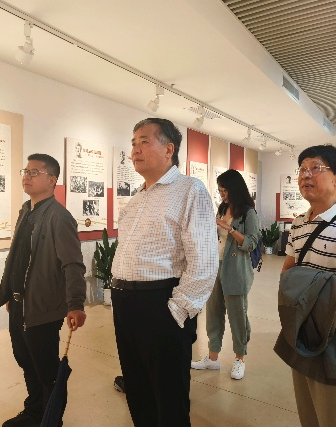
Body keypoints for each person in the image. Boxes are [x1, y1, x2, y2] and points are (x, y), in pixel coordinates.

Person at [111, 118, 218, 427]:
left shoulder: (189, 190)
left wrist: (178, 310)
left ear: (169, 149)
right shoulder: (137, 199)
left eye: (144, 142)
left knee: (168, 397)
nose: (135, 149)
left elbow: (204, 260)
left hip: (161, 304)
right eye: (133, 143)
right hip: (126, 303)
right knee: (137, 390)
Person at [275, 144, 336, 427]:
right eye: (302, 169)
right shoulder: (298, 223)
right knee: (308, 413)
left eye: (315, 168)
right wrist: (313, 280)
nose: (306, 175)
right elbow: (286, 275)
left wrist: (301, 281)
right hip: (305, 323)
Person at [0, 153, 87, 427]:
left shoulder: (59, 217)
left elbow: (73, 264)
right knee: (26, 361)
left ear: (52, 180)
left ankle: (51, 420)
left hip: (43, 308)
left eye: (34, 172)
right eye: (26, 171)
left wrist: (76, 304)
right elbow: (18, 257)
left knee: (47, 370)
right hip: (20, 304)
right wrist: (11, 293)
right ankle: (34, 411)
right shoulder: (26, 210)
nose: (27, 176)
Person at [191, 170, 260, 380]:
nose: (222, 194)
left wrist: (228, 228)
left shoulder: (248, 213)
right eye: (220, 190)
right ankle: (213, 358)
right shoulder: (222, 208)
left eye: (225, 190)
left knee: (238, 317)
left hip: (236, 270)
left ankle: (240, 359)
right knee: (213, 313)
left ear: (234, 189)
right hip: (215, 268)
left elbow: (251, 243)